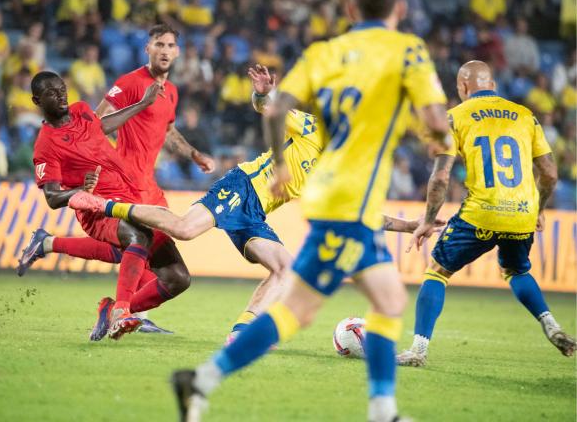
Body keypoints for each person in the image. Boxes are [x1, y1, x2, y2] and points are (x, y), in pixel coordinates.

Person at [168, 0, 452, 421]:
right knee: (316, 307)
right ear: (398, 8)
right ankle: (380, 410)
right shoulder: (407, 51)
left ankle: (203, 382)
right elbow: (436, 122)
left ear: (352, 7)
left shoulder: (325, 53)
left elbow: (274, 107)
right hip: (348, 205)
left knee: (386, 301)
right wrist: (435, 140)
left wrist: (281, 164)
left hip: (338, 204)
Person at [70, 64, 445, 343]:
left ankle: (239, 333)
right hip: (244, 185)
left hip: (257, 212)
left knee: (285, 269)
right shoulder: (313, 127)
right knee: (184, 229)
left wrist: (411, 224)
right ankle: (106, 206)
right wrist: (263, 93)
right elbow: (268, 108)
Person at [18, 24, 214, 338]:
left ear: (177, 51)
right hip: (120, 187)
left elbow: (153, 130)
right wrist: (85, 184)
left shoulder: (169, 93)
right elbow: (97, 128)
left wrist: (192, 153)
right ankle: (126, 311)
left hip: (140, 184)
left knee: (172, 274)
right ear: (147, 48)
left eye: (170, 45)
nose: (164, 50)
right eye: (158, 44)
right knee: (136, 241)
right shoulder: (129, 82)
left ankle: (112, 304)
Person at [397, 60, 577, 367]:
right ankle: (551, 324)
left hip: (482, 211)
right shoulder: (525, 116)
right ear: (492, 85)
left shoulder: (454, 118)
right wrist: (540, 208)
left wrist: (428, 221)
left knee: (437, 271)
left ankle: (418, 349)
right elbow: (549, 173)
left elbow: (440, 178)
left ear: (463, 87)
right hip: (522, 212)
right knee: (516, 270)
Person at [29, 71, 186, 340]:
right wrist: (82, 190)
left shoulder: (80, 111)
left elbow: (101, 126)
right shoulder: (45, 145)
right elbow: (52, 197)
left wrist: (142, 105)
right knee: (137, 236)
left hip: (129, 195)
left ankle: (112, 309)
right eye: (52, 93)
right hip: (97, 208)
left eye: (62, 88)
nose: (61, 95)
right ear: (37, 101)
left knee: (178, 277)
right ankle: (121, 313)